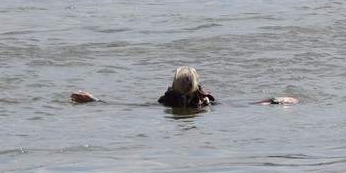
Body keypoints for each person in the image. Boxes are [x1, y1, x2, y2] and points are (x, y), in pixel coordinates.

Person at [70, 66, 297, 107]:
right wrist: (276, 101)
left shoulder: (164, 104)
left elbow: (127, 105)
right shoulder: (207, 104)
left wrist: (95, 101)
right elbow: (246, 105)